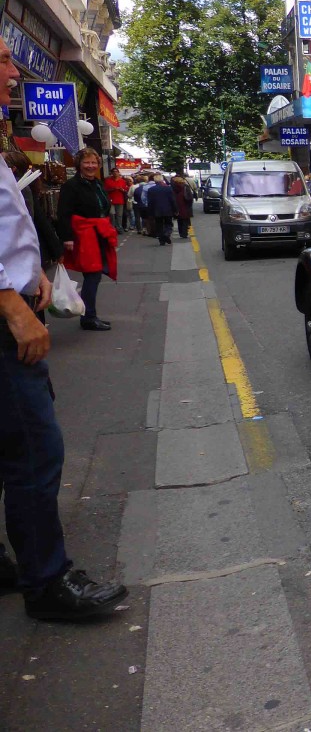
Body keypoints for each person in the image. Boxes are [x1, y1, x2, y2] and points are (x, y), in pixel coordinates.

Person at [0, 55, 129, 621]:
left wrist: (36, 270)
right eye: (2, 59)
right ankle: (47, 582)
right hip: (7, 319)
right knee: (35, 450)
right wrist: (11, 302)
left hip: (20, 301)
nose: (12, 70)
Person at [56, 147, 117, 332]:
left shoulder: (97, 183)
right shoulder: (71, 186)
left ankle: (89, 315)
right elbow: (63, 213)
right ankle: (88, 317)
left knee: (96, 274)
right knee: (93, 274)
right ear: (79, 165)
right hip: (83, 234)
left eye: (93, 162)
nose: (90, 166)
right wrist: (67, 237)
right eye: (86, 162)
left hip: (98, 232)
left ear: (98, 164)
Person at [4, 150, 63, 281]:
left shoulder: (19, 189)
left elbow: (33, 220)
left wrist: (56, 249)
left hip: (19, 254)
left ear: (12, 169)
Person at [145, 174, 177, 245]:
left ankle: (161, 240)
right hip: (168, 209)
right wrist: (175, 210)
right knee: (168, 224)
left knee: (159, 225)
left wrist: (150, 212)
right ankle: (166, 234)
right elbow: (172, 200)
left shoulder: (151, 190)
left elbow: (150, 202)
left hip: (156, 210)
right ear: (162, 180)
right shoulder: (168, 188)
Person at [103, 167, 129, 234]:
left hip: (120, 200)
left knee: (119, 215)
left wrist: (122, 190)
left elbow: (126, 191)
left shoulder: (122, 181)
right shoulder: (108, 181)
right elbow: (105, 190)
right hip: (111, 201)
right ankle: (112, 228)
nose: (115, 173)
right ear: (111, 173)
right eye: (113, 171)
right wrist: (113, 189)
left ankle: (119, 228)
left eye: (116, 171)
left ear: (118, 172)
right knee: (111, 214)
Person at [172, 173, 195, 239]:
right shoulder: (185, 187)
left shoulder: (173, 188)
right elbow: (190, 197)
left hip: (177, 205)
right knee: (185, 219)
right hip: (185, 204)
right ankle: (184, 233)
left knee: (179, 220)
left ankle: (181, 233)